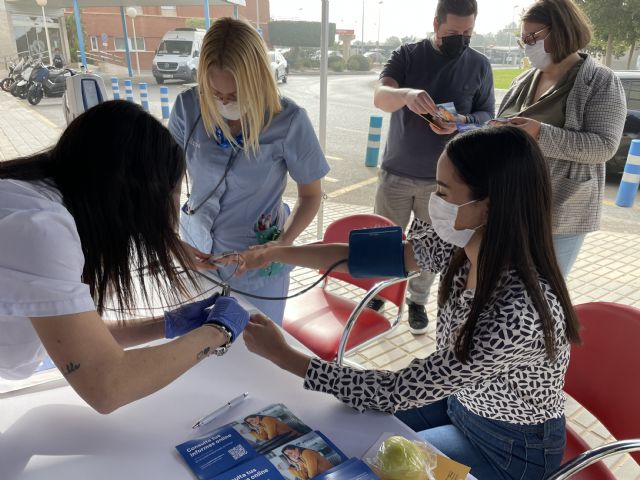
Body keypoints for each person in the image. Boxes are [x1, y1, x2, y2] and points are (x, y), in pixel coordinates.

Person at [236, 127, 581, 480]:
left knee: (374, 463)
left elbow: (396, 390)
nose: (434, 201)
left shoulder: (517, 313)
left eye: (443, 192)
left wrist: (285, 356)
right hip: (459, 403)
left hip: (508, 446)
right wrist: (278, 253)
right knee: (339, 425)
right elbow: (369, 256)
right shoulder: (461, 242)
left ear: (488, 205)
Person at [0, 100, 251, 414]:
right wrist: (218, 332)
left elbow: (79, 338)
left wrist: (167, 325)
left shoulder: (35, 195)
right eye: (174, 193)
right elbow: (107, 385)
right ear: (136, 196)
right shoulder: (43, 231)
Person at [168, 18, 329, 324]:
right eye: (216, 95)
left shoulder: (289, 121)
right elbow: (168, 184)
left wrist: (279, 245)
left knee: (258, 350)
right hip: (198, 255)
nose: (225, 103)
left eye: (236, 95)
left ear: (258, 82)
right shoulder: (188, 108)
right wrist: (171, 240)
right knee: (197, 348)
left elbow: (310, 196)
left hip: (258, 265)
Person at [371, 0, 495, 334]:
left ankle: (416, 301)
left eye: (468, 32)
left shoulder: (479, 65)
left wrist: (461, 122)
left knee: (432, 248)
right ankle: (379, 294)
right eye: (454, 32)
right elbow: (381, 96)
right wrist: (407, 95)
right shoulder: (408, 55)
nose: (462, 38)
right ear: (436, 24)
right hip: (396, 173)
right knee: (383, 240)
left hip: (444, 186)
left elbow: (487, 117)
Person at [494, 0, 626, 277]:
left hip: (559, 213)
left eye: (534, 37)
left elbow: (603, 146)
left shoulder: (600, 81)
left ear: (562, 31)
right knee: (503, 288)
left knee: (542, 294)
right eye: (524, 39)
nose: (528, 45)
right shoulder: (524, 80)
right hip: (510, 204)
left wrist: (539, 133)